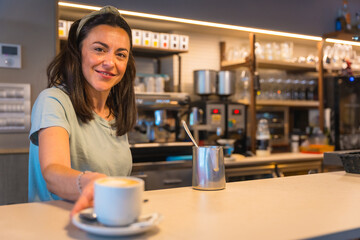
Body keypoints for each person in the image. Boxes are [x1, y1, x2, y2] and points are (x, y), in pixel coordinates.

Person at [28, 6, 137, 214]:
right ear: (78, 53)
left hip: (104, 224)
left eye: (121, 54)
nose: (110, 62)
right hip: (55, 226)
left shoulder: (115, 112)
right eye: (99, 49)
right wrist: (87, 182)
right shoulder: (53, 101)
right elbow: (52, 172)